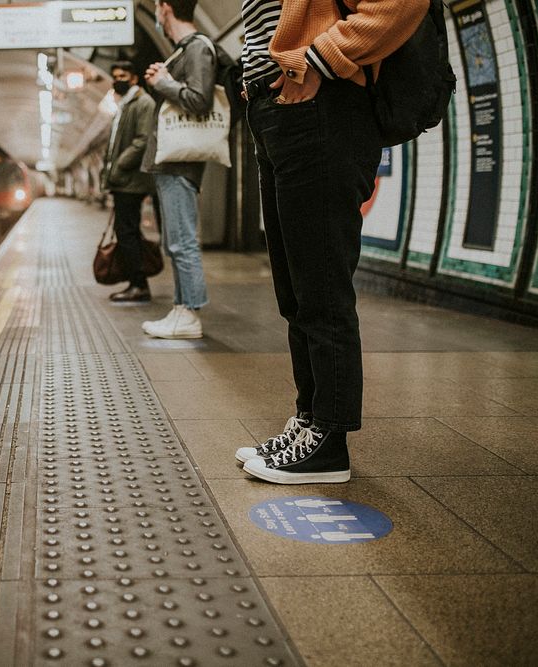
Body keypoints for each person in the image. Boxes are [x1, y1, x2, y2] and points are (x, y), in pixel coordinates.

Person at [235, 0, 429, 484]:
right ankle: (309, 421)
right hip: (277, 111)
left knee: (320, 287)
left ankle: (330, 440)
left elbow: (402, 3)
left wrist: (319, 61)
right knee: (296, 292)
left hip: (323, 107)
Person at [140, 0, 218, 339]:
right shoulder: (184, 49)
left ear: (164, 8)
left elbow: (200, 100)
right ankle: (180, 308)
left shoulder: (199, 47)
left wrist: (164, 84)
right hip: (170, 160)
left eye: (157, 7)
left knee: (183, 240)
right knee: (174, 240)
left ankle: (190, 313)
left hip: (181, 160)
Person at [102, 61, 157, 303]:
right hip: (123, 180)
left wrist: (119, 166)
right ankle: (135, 280)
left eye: (122, 75)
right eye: (114, 76)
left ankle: (139, 284)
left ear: (134, 79)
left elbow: (142, 140)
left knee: (128, 231)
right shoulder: (124, 105)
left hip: (131, 179)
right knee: (127, 230)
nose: (117, 80)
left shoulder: (143, 103)